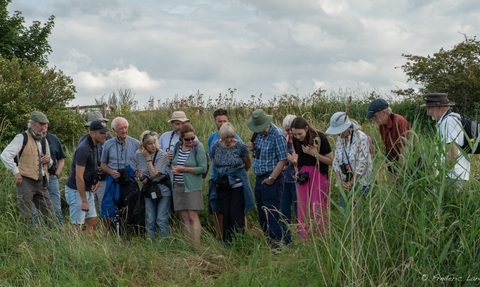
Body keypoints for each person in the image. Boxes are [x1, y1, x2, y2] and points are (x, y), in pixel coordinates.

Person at [1, 111, 54, 224]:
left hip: (41, 181)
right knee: (25, 216)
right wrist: (16, 172)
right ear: (32, 124)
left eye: (45, 125)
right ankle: (25, 239)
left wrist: (48, 160)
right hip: (25, 181)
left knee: (49, 215)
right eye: (41, 124)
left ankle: (49, 239)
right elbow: (5, 155)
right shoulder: (22, 137)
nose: (43, 127)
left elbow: (50, 162)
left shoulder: (44, 140)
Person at [247, 109, 288, 248]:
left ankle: (276, 245)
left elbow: (283, 159)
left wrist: (272, 178)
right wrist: (252, 148)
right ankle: (268, 241)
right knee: (262, 213)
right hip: (260, 178)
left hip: (272, 178)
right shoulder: (257, 135)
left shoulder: (277, 134)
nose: (259, 130)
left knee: (272, 213)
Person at [210, 123, 254, 243]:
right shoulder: (215, 146)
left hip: (237, 184)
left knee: (236, 211)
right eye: (226, 138)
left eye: (231, 137)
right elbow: (214, 162)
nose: (229, 140)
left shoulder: (240, 145)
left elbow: (248, 163)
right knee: (225, 211)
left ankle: (240, 239)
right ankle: (227, 241)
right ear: (221, 137)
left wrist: (237, 175)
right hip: (222, 184)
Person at [290, 117, 333, 239]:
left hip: (318, 173)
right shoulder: (296, 139)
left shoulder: (319, 138)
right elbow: (299, 157)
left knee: (317, 207)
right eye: (295, 134)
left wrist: (314, 154)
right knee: (302, 207)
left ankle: (322, 238)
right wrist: (297, 171)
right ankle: (305, 238)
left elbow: (331, 161)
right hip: (304, 174)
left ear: (306, 128)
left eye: (300, 134)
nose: (297, 137)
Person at [65, 120, 109, 235]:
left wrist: (97, 180)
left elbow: (95, 167)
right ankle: (73, 249)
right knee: (77, 224)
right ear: (92, 133)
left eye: (105, 132)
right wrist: (84, 200)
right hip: (77, 190)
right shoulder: (83, 149)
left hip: (88, 189)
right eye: (102, 133)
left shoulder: (96, 145)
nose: (105, 135)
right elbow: (78, 176)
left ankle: (90, 246)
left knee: (93, 220)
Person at [207, 108, 243, 239]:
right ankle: (219, 236)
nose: (222, 124)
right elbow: (212, 158)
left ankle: (240, 236)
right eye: (219, 121)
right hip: (216, 177)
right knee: (217, 209)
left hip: (233, 180)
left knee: (236, 210)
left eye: (225, 121)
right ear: (215, 121)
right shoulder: (212, 138)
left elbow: (245, 160)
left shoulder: (235, 138)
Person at [421, 93, 470, 187]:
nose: (427, 112)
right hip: (453, 175)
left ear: (439, 107)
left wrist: (440, 173)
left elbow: (452, 153)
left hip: (452, 177)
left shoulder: (448, 122)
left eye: (429, 108)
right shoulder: (450, 120)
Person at [326, 112, 373, 208]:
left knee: (361, 213)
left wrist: (352, 182)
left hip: (361, 183)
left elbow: (362, 163)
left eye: (340, 131)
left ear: (347, 127)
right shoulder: (340, 138)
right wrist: (339, 180)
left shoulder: (361, 137)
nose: (338, 134)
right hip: (345, 182)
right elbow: (336, 161)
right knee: (344, 212)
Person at [100, 117, 140, 228]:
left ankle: (133, 231)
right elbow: (103, 164)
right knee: (107, 205)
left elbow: (142, 162)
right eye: (120, 128)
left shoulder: (136, 143)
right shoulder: (108, 144)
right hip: (113, 179)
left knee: (133, 206)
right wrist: (110, 171)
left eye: (125, 127)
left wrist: (138, 175)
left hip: (130, 179)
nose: (123, 130)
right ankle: (107, 234)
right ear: (114, 130)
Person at [171, 124, 207, 244]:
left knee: (192, 215)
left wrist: (184, 169)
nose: (191, 141)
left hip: (192, 186)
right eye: (187, 139)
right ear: (181, 138)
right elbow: (174, 162)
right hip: (178, 184)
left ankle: (196, 245)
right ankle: (186, 243)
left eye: (193, 138)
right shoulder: (177, 146)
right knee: (184, 216)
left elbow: (203, 168)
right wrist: (174, 168)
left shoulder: (198, 147)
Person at [136, 131, 171, 239]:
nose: (153, 146)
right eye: (150, 144)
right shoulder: (138, 154)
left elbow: (154, 174)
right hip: (149, 189)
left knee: (161, 219)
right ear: (144, 145)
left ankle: (164, 244)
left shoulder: (162, 154)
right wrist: (142, 177)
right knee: (150, 219)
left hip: (162, 189)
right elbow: (139, 170)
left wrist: (148, 158)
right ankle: (151, 243)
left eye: (154, 142)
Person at [366, 99, 411, 182]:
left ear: (384, 113)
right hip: (392, 157)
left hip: (409, 160)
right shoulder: (381, 125)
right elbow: (388, 149)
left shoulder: (399, 122)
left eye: (374, 116)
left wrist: (398, 174)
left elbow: (404, 152)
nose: (373, 119)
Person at [78, 111, 113, 211]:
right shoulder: (84, 140)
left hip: (105, 179)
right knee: (91, 209)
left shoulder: (110, 140)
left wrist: (105, 168)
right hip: (89, 179)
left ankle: (106, 226)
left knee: (105, 206)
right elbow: (80, 161)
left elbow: (114, 158)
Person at [32, 123, 66, 225]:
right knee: (35, 211)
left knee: (56, 208)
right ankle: (37, 237)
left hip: (51, 178)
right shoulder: (27, 139)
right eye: (42, 125)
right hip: (33, 178)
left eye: (46, 126)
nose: (44, 129)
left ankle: (60, 233)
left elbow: (61, 159)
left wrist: (56, 174)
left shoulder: (54, 139)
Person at [159, 111, 195, 183]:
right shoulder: (164, 137)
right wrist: (165, 156)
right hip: (167, 177)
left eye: (183, 124)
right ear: (172, 124)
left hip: (187, 179)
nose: (181, 127)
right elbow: (155, 154)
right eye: (177, 124)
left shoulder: (193, 138)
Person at [280, 114, 298, 245]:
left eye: (290, 129)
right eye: (286, 130)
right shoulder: (283, 141)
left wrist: (293, 160)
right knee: (284, 212)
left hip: (297, 181)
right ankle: (287, 240)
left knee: (300, 213)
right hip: (284, 180)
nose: (289, 133)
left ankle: (302, 239)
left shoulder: (300, 141)